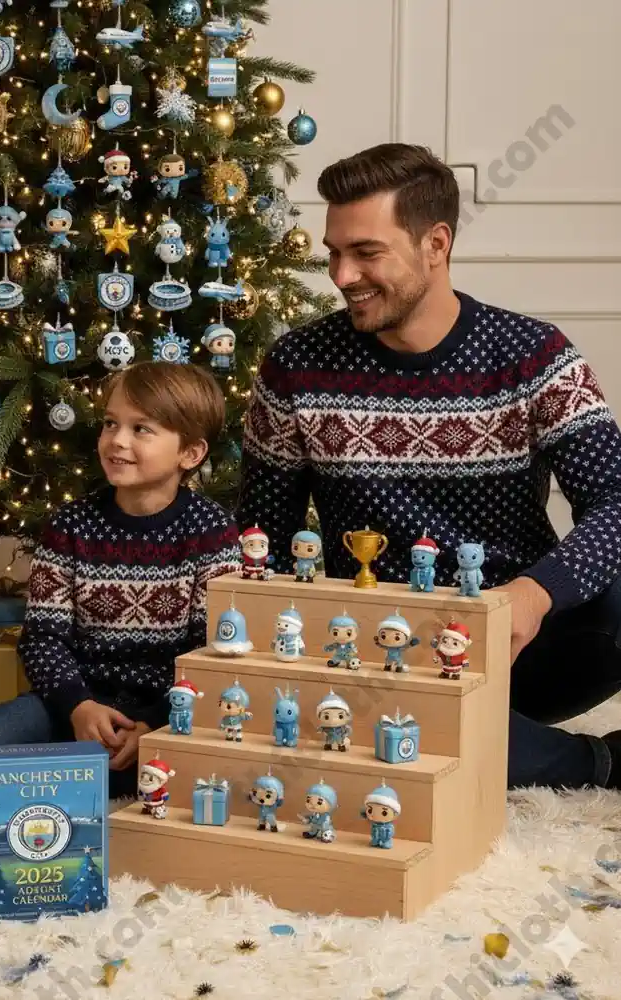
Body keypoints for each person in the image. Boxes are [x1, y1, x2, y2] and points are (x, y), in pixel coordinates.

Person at [236, 142, 621, 792]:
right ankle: (593, 763)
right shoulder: (296, 367)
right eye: (334, 251)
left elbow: (615, 503)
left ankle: (490, 735)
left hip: (518, 647)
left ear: (435, 244)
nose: (341, 274)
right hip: (379, 658)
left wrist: (533, 594)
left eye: (366, 252)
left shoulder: (533, 356)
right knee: (377, 717)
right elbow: (262, 542)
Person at [0, 361, 242, 797]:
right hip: (75, 699)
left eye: (141, 429)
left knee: (200, 770)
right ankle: (57, 771)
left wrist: (159, 721)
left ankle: (63, 775)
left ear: (191, 453)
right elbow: (43, 637)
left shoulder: (212, 531)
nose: (117, 441)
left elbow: (212, 650)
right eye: (110, 423)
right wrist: (78, 706)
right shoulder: (71, 524)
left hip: (168, 711)